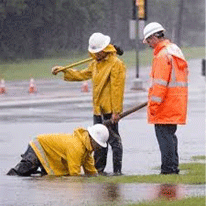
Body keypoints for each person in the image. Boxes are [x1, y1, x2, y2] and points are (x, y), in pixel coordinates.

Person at [52, 32, 126, 175]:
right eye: (94, 53)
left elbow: (117, 89)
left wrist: (117, 111)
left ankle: (117, 171)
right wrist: (64, 71)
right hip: (98, 109)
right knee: (98, 141)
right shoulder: (95, 64)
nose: (96, 55)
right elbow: (82, 74)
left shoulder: (116, 64)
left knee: (114, 140)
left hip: (110, 110)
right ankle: (99, 170)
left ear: (105, 49)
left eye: (98, 52)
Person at [143, 22, 188, 175]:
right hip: (175, 102)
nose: (149, 45)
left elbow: (160, 85)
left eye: (149, 41)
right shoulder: (174, 50)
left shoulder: (162, 56)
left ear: (155, 37)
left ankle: (168, 169)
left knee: (165, 139)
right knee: (170, 137)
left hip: (164, 105)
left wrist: (153, 107)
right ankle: (173, 167)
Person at [7, 124, 109, 176]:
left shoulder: (86, 150)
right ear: (92, 140)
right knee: (22, 171)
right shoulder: (77, 147)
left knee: (38, 176)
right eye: (98, 145)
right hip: (38, 146)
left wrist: (97, 180)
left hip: (48, 152)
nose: (98, 148)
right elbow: (74, 173)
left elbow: (90, 170)